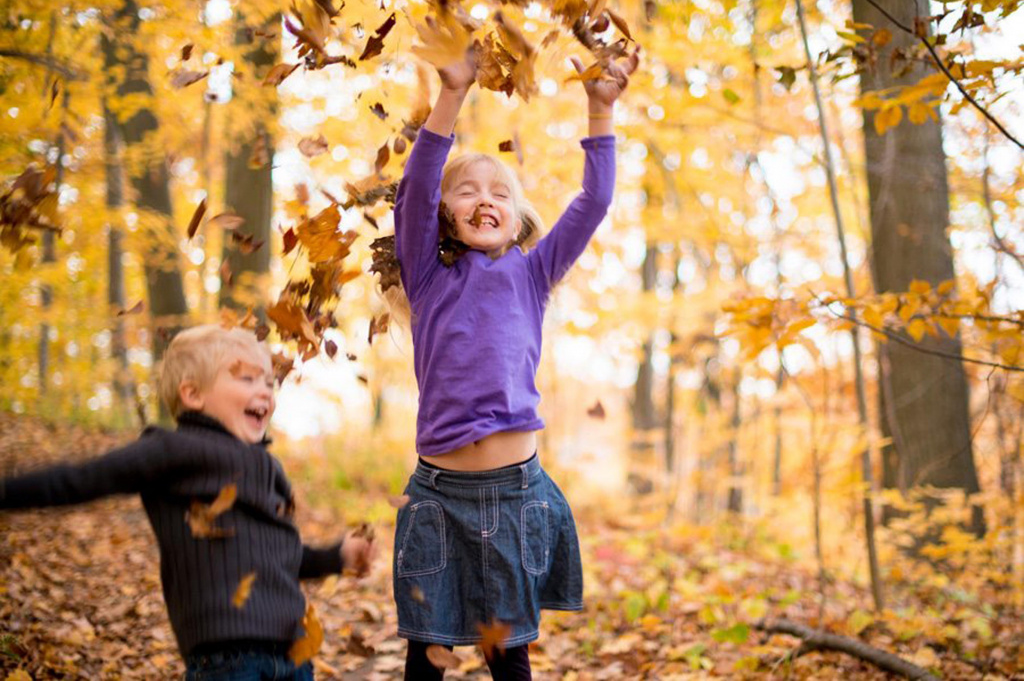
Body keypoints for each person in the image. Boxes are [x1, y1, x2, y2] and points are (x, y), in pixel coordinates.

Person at [384, 43, 639, 680]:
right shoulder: (426, 277)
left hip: (515, 492)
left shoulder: (534, 275)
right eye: (465, 191)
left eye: (498, 190)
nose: (483, 199)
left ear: (517, 215)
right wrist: (452, 94)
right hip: (437, 498)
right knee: (427, 652)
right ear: (445, 215)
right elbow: (415, 187)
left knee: (509, 657)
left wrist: (599, 107)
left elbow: (595, 201)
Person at [0, 325, 375, 680]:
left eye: (268, 381)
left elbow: (280, 555)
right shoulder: (172, 450)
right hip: (229, 659)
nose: (265, 391)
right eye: (246, 379)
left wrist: (337, 556)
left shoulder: (268, 466)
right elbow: (83, 479)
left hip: (295, 654)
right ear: (193, 394)